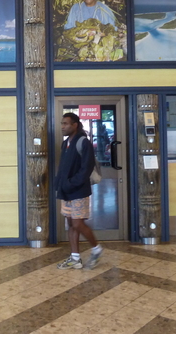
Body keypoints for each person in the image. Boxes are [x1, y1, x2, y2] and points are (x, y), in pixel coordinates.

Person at [54, 112, 103, 270]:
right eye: (62, 123)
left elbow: (86, 169)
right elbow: (63, 167)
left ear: (75, 125)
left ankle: (96, 249)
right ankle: (75, 258)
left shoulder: (83, 142)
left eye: (66, 123)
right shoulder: (66, 143)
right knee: (70, 223)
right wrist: (59, 183)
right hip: (66, 190)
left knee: (77, 222)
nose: (63, 126)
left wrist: (70, 183)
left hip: (79, 190)